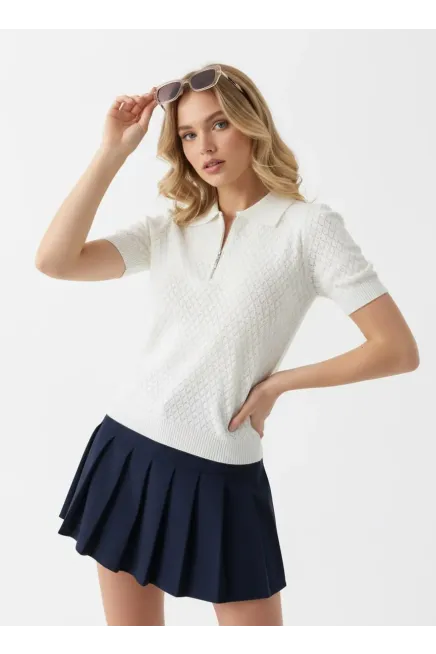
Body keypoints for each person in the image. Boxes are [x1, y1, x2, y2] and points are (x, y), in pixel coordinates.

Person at [35, 63, 419, 630]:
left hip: (222, 465)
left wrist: (278, 385)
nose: (204, 146)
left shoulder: (308, 228)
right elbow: (55, 261)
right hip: (131, 448)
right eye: (188, 134)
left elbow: (396, 349)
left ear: (251, 123)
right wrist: (112, 152)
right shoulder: (171, 226)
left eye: (219, 125)